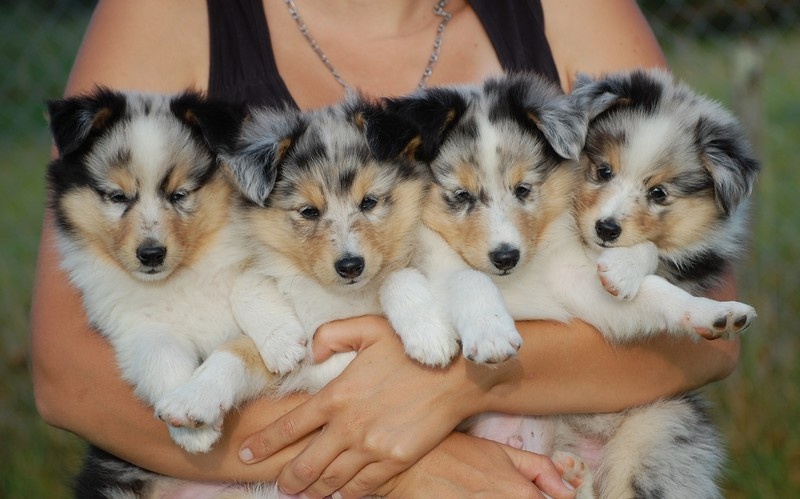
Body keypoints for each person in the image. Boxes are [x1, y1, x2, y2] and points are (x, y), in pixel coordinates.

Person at [31, 0, 741, 497]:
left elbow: (708, 333)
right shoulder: (169, 11)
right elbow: (69, 377)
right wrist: (391, 463)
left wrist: (457, 385)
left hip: (549, 440)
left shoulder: (569, 9)